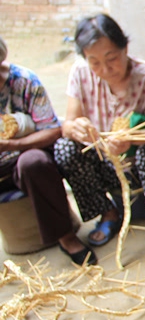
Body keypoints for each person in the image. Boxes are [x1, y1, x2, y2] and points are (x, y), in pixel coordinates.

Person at [54, 14, 145, 286]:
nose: (104, 68)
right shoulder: (80, 73)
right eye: (94, 61)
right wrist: (75, 128)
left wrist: (132, 139)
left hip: (143, 167)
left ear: (125, 48)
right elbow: (67, 124)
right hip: (105, 164)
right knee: (65, 148)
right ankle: (109, 212)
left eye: (111, 58)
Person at [0, 36, 96, 265]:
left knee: (34, 163)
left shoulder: (23, 80)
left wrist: (11, 145)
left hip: (21, 157)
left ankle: (66, 236)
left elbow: (53, 131)